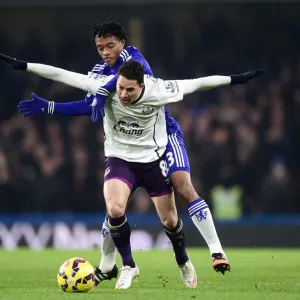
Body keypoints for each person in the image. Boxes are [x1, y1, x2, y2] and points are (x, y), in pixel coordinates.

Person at [0, 21, 264, 283]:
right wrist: (29, 73)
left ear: (122, 44)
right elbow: (64, 76)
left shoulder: (144, 73)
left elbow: (197, 83)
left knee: (176, 205)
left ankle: (200, 254)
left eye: (109, 46)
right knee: (114, 208)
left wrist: (235, 80)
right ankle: (121, 265)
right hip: (121, 154)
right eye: (100, 47)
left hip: (158, 145)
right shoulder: (98, 75)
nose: (104, 52)